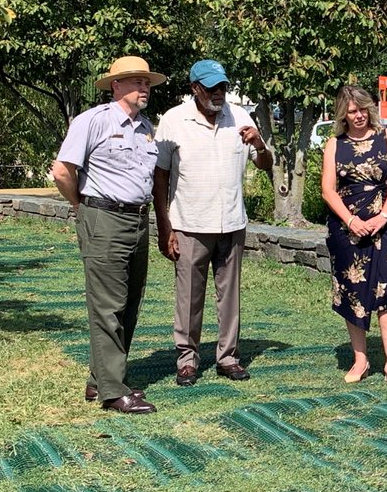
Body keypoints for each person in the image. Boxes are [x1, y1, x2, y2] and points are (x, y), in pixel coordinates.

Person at [51, 55, 166, 414]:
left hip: (137, 219)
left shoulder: (148, 127)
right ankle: (114, 391)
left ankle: (100, 378)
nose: (143, 87)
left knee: (130, 302)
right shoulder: (93, 121)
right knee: (107, 306)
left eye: (146, 82)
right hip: (103, 216)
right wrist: (81, 206)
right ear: (115, 85)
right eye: (136, 81)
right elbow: (62, 171)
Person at [152, 59, 273, 386]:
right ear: (195, 89)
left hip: (232, 223)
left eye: (222, 87)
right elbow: (160, 178)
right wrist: (165, 227)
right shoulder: (174, 121)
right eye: (211, 88)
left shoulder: (239, 117)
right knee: (189, 297)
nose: (219, 94)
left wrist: (260, 144)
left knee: (229, 295)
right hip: (189, 224)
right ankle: (187, 360)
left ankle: (228, 357)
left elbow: (265, 163)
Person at [321, 84, 387, 387]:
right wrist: (351, 220)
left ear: (369, 108)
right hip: (346, 228)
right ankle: (360, 359)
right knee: (352, 289)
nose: (357, 116)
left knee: (386, 289)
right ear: (343, 114)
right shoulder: (335, 144)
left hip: (385, 224)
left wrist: (383, 216)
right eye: (351, 111)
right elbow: (328, 191)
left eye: (361, 109)